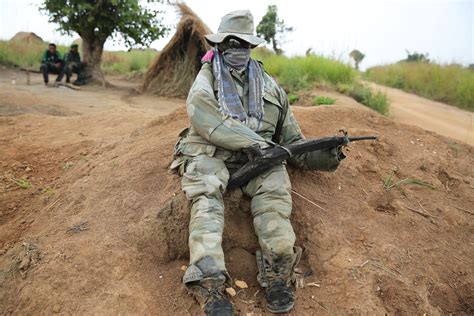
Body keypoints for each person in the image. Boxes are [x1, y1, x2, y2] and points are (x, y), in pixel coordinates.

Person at [171, 10, 345, 315]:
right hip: (211, 154)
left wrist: (329, 154)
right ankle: (209, 283)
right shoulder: (206, 79)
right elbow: (205, 118)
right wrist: (257, 144)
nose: (237, 49)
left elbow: (291, 142)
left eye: (243, 44)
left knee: (276, 190)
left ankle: (277, 272)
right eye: (231, 42)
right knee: (207, 195)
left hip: (262, 160)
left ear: (252, 47)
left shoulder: (271, 87)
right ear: (221, 44)